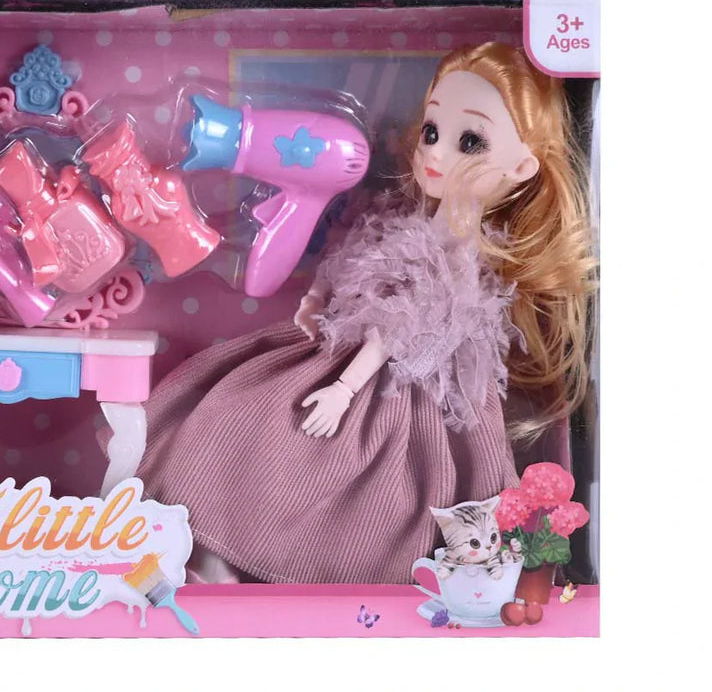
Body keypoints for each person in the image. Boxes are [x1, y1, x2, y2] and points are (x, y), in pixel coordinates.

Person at [130, 43, 594, 583]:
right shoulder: (403, 216)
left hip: (404, 392)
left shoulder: (463, 259)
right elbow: (353, 257)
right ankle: (208, 545)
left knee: (353, 482)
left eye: (471, 141)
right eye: (431, 131)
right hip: (344, 351)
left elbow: (404, 326)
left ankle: (266, 564)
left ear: (521, 167)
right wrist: (316, 299)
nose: (435, 153)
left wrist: (345, 389)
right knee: (239, 416)